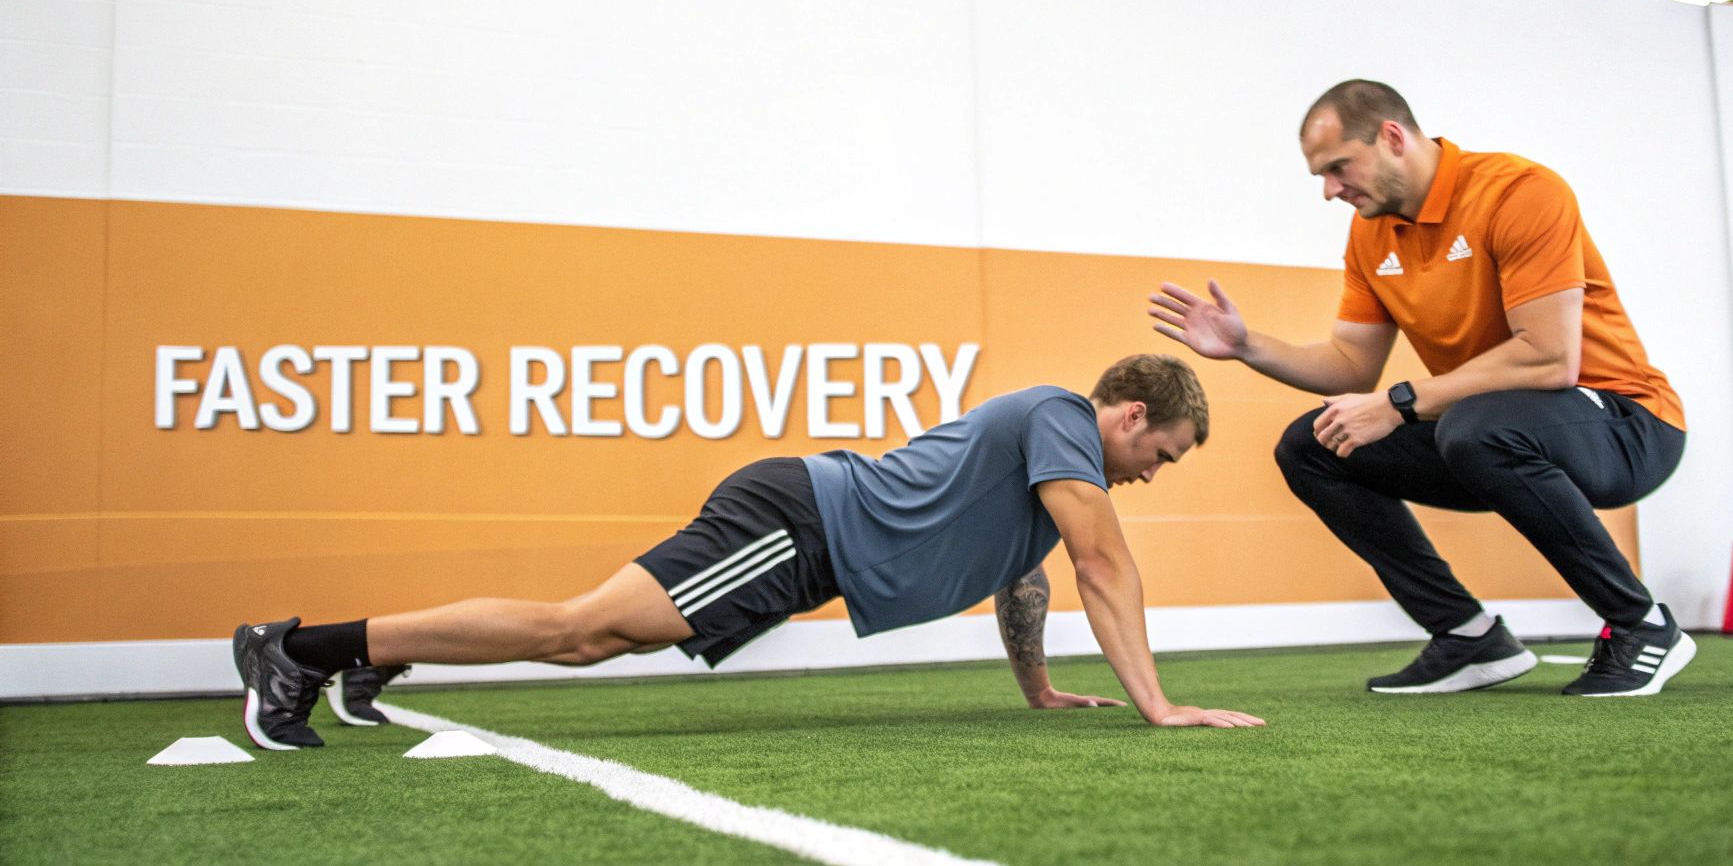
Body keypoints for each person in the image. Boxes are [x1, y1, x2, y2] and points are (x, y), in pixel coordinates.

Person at [234, 353, 1266, 749]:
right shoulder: (1060, 420)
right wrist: (1159, 706)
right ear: (1129, 415)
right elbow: (1102, 569)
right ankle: (301, 647)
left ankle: (362, 653)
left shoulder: (1049, 475)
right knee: (580, 632)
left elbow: (1027, 581)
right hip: (798, 520)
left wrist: (1037, 690)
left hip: (807, 542)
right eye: (1160, 457)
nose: (1149, 476)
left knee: (596, 635)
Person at [1150, 80, 1692, 698]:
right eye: (1320, 177)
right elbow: (1352, 367)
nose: (1330, 191)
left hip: (1627, 424)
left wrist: (1401, 403)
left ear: (1392, 137)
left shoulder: (1519, 191)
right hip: (1493, 432)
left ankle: (1641, 624)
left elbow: (1549, 359)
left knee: (1475, 425)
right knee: (1313, 444)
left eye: (1337, 168)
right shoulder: (1371, 232)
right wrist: (1248, 346)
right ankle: (1467, 636)